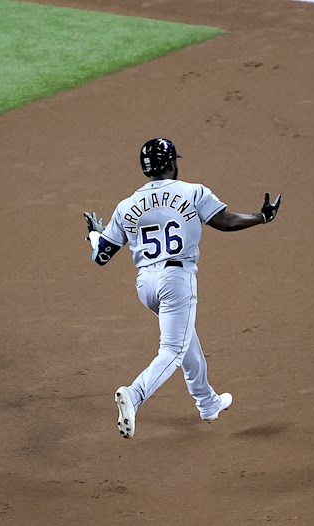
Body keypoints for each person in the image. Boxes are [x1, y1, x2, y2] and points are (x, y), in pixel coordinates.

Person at [83, 137, 281, 439]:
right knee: (173, 349)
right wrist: (260, 217)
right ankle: (134, 394)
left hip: (146, 286)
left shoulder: (126, 206)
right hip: (176, 280)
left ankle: (207, 403)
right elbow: (225, 221)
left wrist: (95, 236)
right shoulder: (192, 191)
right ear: (172, 163)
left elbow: (102, 256)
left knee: (186, 339)